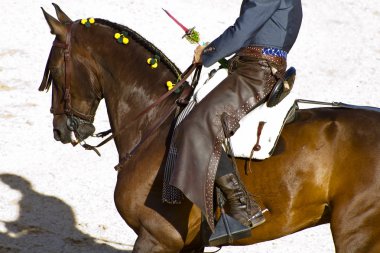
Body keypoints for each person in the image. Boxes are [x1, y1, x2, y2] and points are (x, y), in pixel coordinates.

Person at [169, 0, 303, 235]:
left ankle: (243, 207)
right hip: (250, 65)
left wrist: (208, 54)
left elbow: (242, 30)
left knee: (197, 125)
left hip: (257, 72)